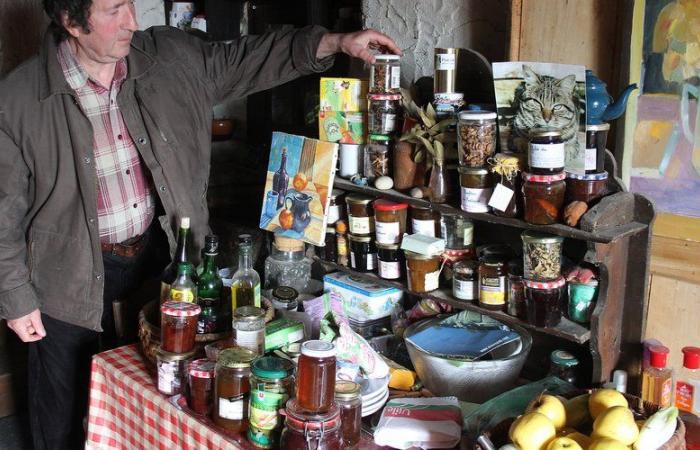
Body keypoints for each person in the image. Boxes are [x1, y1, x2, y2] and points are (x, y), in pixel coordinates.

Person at [0, 0, 401, 448]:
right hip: (66, 275)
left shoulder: (170, 58)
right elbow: (3, 211)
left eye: (130, 3)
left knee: (158, 394)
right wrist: (15, 296)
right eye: (114, 10)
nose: (132, 21)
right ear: (71, 21)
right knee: (63, 412)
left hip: (162, 261)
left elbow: (249, 56)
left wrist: (336, 41)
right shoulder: (17, 100)